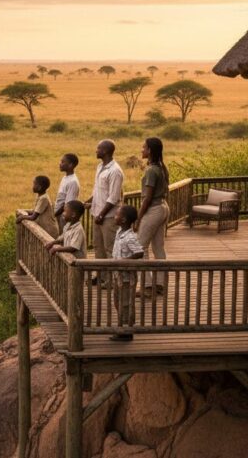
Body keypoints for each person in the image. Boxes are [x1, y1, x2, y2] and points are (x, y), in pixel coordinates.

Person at [138, 137, 170, 296]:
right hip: (163, 207)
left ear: (150, 150)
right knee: (158, 247)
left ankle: (147, 286)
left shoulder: (151, 170)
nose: (142, 150)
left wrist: (138, 218)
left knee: (139, 247)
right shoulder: (161, 167)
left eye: (144, 147)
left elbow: (148, 198)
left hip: (153, 209)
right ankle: (160, 284)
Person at [110, 205, 145, 342]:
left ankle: (126, 331)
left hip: (127, 278)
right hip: (117, 276)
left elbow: (139, 252)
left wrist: (125, 261)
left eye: (117, 215)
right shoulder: (119, 232)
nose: (114, 217)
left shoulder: (130, 237)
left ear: (123, 219)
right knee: (118, 302)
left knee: (125, 304)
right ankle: (122, 327)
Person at [84, 140, 123, 259]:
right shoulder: (100, 167)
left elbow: (114, 197)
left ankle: (114, 277)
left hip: (109, 216)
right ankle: (102, 276)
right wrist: (89, 201)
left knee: (110, 248)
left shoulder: (115, 171)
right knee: (98, 247)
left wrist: (101, 214)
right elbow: (98, 190)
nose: (96, 150)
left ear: (105, 151)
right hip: (97, 214)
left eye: (98, 148)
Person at [54, 153, 80, 230]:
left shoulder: (73, 181)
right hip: (59, 214)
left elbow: (68, 203)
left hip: (64, 217)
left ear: (70, 165)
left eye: (63, 162)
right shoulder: (65, 178)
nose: (60, 164)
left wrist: (55, 214)